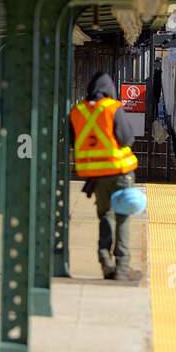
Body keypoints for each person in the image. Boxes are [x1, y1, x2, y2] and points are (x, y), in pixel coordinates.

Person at [70, 71, 140, 281]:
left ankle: (104, 260)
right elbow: (127, 139)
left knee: (105, 216)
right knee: (122, 217)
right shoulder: (112, 108)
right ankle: (122, 267)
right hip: (119, 172)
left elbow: (74, 142)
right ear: (110, 90)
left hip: (96, 177)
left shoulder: (77, 111)